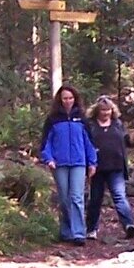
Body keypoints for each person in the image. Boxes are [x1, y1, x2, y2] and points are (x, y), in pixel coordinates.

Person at [38, 87, 98, 245]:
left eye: (71, 98)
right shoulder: (53, 119)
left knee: (77, 197)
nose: (68, 101)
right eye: (65, 98)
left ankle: (79, 233)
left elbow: (89, 143)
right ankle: (66, 231)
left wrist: (92, 162)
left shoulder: (82, 118)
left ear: (75, 99)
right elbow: (45, 142)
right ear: (60, 100)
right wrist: (48, 158)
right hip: (59, 164)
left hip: (79, 163)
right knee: (64, 199)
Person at [84, 96, 134, 241]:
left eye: (108, 110)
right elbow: (85, 143)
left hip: (116, 166)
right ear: (97, 110)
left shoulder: (117, 124)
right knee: (95, 198)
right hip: (96, 167)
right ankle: (91, 229)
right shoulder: (90, 125)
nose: (105, 113)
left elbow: (129, 142)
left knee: (119, 196)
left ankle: (129, 225)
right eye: (102, 110)